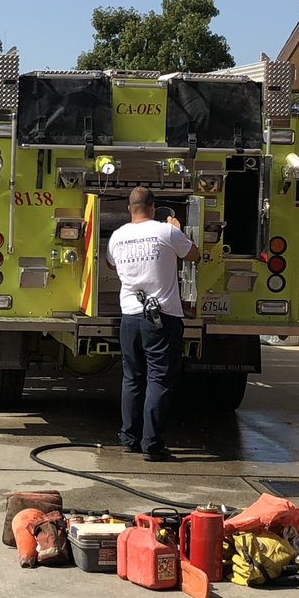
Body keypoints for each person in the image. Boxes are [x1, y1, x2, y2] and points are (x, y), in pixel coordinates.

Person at [105, 187, 200, 461]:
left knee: (132, 378)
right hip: (162, 317)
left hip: (130, 316)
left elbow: (111, 266)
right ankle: (152, 444)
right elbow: (192, 255)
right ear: (153, 206)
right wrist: (177, 229)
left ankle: (129, 438)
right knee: (158, 379)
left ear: (129, 208)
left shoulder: (118, 236)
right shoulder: (166, 232)